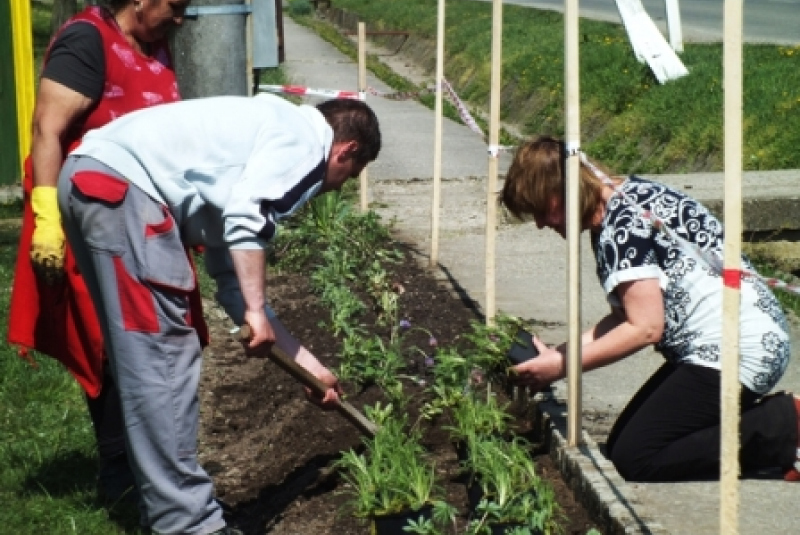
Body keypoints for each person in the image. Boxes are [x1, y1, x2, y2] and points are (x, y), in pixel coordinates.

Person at [56, 94, 381, 534]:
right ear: (347, 151)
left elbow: (231, 273)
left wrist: (306, 363)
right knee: (162, 360)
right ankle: (189, 525)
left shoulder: (264, 133)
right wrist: (253, 309)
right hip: (125, 194)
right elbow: (251, 216)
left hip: (89, 179)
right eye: (350, 175)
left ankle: (167, 510)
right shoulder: (308, 144)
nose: (338, 186)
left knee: (142, 360)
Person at [501, 135, 800, 483]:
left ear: (562, 191)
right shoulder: (629, 197)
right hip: (746, 337)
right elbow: (625, 315)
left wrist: (562, 366)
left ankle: (785, 427)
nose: (540, 222)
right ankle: (756, 428)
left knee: (636, 457)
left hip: (733, 350)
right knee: (622, 445)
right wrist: (559, 353)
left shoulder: (620, 229)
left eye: (540, 209)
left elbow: (645, 328)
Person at [8, 0, 190, 501]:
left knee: (149, 337)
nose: (180, 19)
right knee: (107, 341)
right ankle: (119, 473)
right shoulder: (87, 41)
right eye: (176, 7)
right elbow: (48, 129)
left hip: (147, 218)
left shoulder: (156, 45)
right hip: (92, 215)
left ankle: (146, 463)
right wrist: (48, 218)